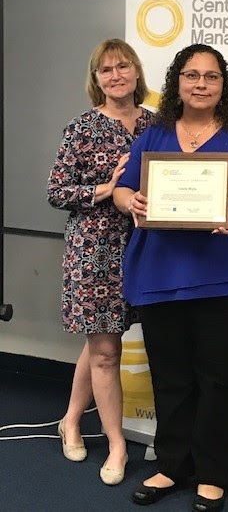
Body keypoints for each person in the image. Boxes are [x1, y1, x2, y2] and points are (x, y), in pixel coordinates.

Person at [113, 43, 228, 511]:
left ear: (223, 85)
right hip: (162, 276)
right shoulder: (153, 136)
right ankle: (171, 465)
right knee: (171, 377)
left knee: (220, 379)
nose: (200, 84)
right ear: (176, 83)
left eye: (211, 76)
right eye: (191, 75)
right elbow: (124, 188)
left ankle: (211, 473)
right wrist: (131, 202)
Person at [47, 38, 153, 485]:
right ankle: (117, 444)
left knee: (100, 345)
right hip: (95, 252)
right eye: (105, 70)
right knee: (106, 351)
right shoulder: (82, 127)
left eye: (123, 66)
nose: (115, 75)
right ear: (96, 80)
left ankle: (70, 419)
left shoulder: (156, 123)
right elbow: (56, 192)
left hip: (148, 249)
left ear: (136, 72)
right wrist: (105, 189)